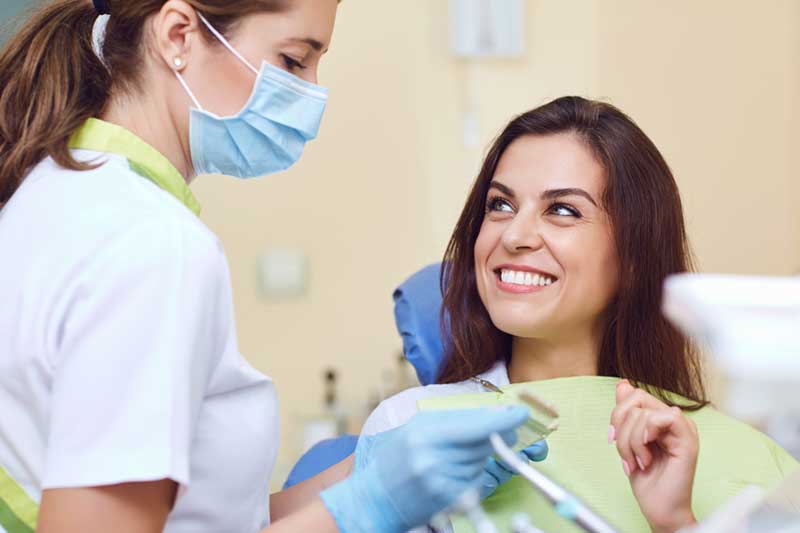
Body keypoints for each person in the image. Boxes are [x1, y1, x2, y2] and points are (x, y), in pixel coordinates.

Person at [0, 1, 546, 532]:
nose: (311, 95)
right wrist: (363, 509)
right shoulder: (152, 246)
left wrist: (368, 471)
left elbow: (196, 518)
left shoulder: (58, 193)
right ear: (178, 36)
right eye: (292, 60)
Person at [363, 96, 800, 532]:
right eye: (500, 204)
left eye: (563, 210)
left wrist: (675, 522)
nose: (514, 235)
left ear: (633, 259)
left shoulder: (754, 462)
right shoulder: (409, 429)